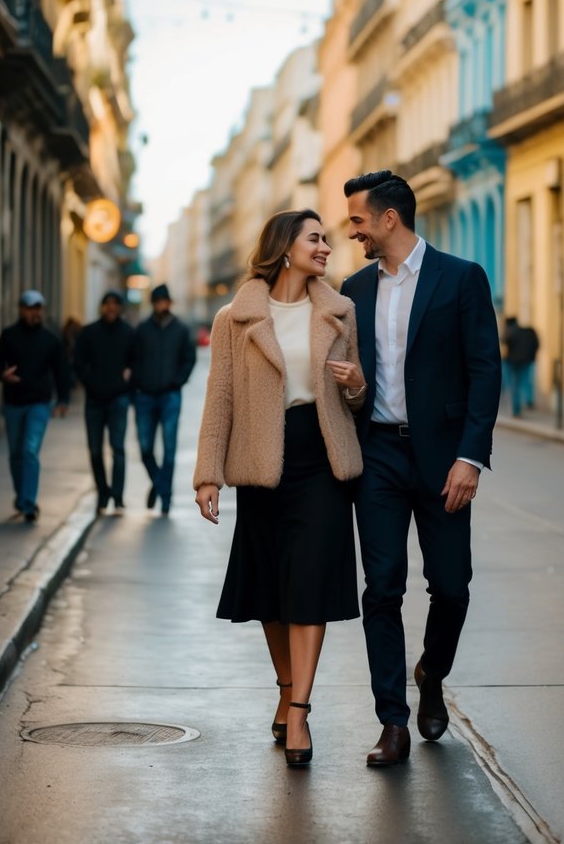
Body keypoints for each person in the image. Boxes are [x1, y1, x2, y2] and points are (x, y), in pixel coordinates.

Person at [341, 171, 501, 768]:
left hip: (443, 459)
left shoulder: (460, 278)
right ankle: (392, 721)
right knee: (381, 589)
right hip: (377, 454)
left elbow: (485, 370)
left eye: (357, 220)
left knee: (451, 585)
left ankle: (432, 672)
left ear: (388, 219)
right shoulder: (353, 290)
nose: (351, 231)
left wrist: (470, 456)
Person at [193, 210, 365, 768]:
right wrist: (207, 474)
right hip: (262, 460)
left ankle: (300, 711)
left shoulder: (339, 311)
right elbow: (219, 398)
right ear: (285, 247)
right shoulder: (235, 317)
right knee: (270, 586)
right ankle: (287, 687)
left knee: (310, 582)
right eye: (315, 239)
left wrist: (357, 384)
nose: (325, 248)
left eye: (326, 240)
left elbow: (358, 395)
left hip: (323, 455)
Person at [0, 290, 69, 523]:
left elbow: (62, 370)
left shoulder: (50, 339)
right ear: (21, 309)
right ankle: (21, 496)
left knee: (29, 451)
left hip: (39, 403)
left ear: (42, 310)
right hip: (13, 402)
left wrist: (63, 400)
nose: (34, 312)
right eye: (29, 308)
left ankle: (29, 503)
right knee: (15, 454)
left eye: (37, 308)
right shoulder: (9, 335)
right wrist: (1, 374)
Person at [131, 284, 196, 515]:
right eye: (157, 301)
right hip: (145, 397)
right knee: (146, 448)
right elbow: (134, 360)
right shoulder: (142, 330)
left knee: (169, 450)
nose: (161, 305)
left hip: (170, 396)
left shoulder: (180, 329)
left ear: (169, 303)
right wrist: (135, 388)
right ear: (153, 303)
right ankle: (159, 484)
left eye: (164, 301)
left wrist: (177, 381)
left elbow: (189, 358)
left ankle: (165, 499)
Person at [74, 290, 135, 514]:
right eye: (106, 303)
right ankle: (103, 494)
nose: (110, 307)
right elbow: (78, 362)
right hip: (94, 401)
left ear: (120, 307)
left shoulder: (129, 333)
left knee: (118, 449)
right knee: (94, 450)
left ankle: (118, 498)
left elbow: (136, 362)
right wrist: (89, 381)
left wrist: (128, 380)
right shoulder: (89, 332)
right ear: (102, 307)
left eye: (115, 303)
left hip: (118, 399)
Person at [502, 316, 539, 417]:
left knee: (514, 386)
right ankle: (528, 400)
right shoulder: (528, 332)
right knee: (526, 382)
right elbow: (536, 344)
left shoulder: (512, 332)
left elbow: (504, 341)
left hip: (512, 362)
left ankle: (516, 409)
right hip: (526, 361)